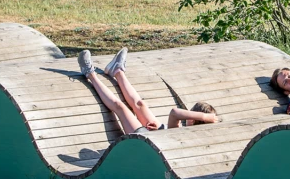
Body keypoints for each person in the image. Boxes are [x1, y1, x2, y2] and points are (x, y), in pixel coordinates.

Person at [78, 48, 219, 134]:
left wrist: (205, 117)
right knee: (140, 104)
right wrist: (160, 129)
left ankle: (90, 74)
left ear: (194, 120)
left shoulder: (185, 135)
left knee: (120, 107)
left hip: (143, 140)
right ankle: (117, 70)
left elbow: (175, 113)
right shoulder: (185, 131)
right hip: (156, 134)